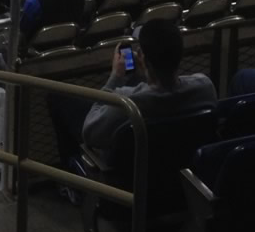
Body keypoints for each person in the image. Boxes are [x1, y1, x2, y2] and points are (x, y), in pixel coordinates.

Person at [71, 20, 216, 170]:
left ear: (142, 56)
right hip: (181, 173)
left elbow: (89, 133)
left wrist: (115, 77)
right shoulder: (204, 87)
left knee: (61, 101)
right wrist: (144, 76)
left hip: (130, 183)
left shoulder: (127, 104)